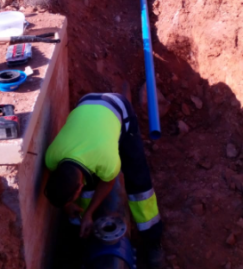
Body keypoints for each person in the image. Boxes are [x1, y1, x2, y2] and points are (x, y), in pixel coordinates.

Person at [45, 92, 163, 268]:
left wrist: (90, 212)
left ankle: (153, 241)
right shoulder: (51, 158)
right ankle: (83, 236)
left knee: (138, 183)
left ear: (78, 186)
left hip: (119, 109)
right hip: (86, 104)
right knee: (89, 188)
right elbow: (61, 185)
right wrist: (68, 205)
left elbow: (108, 182)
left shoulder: (107, 161)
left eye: (72, 197)